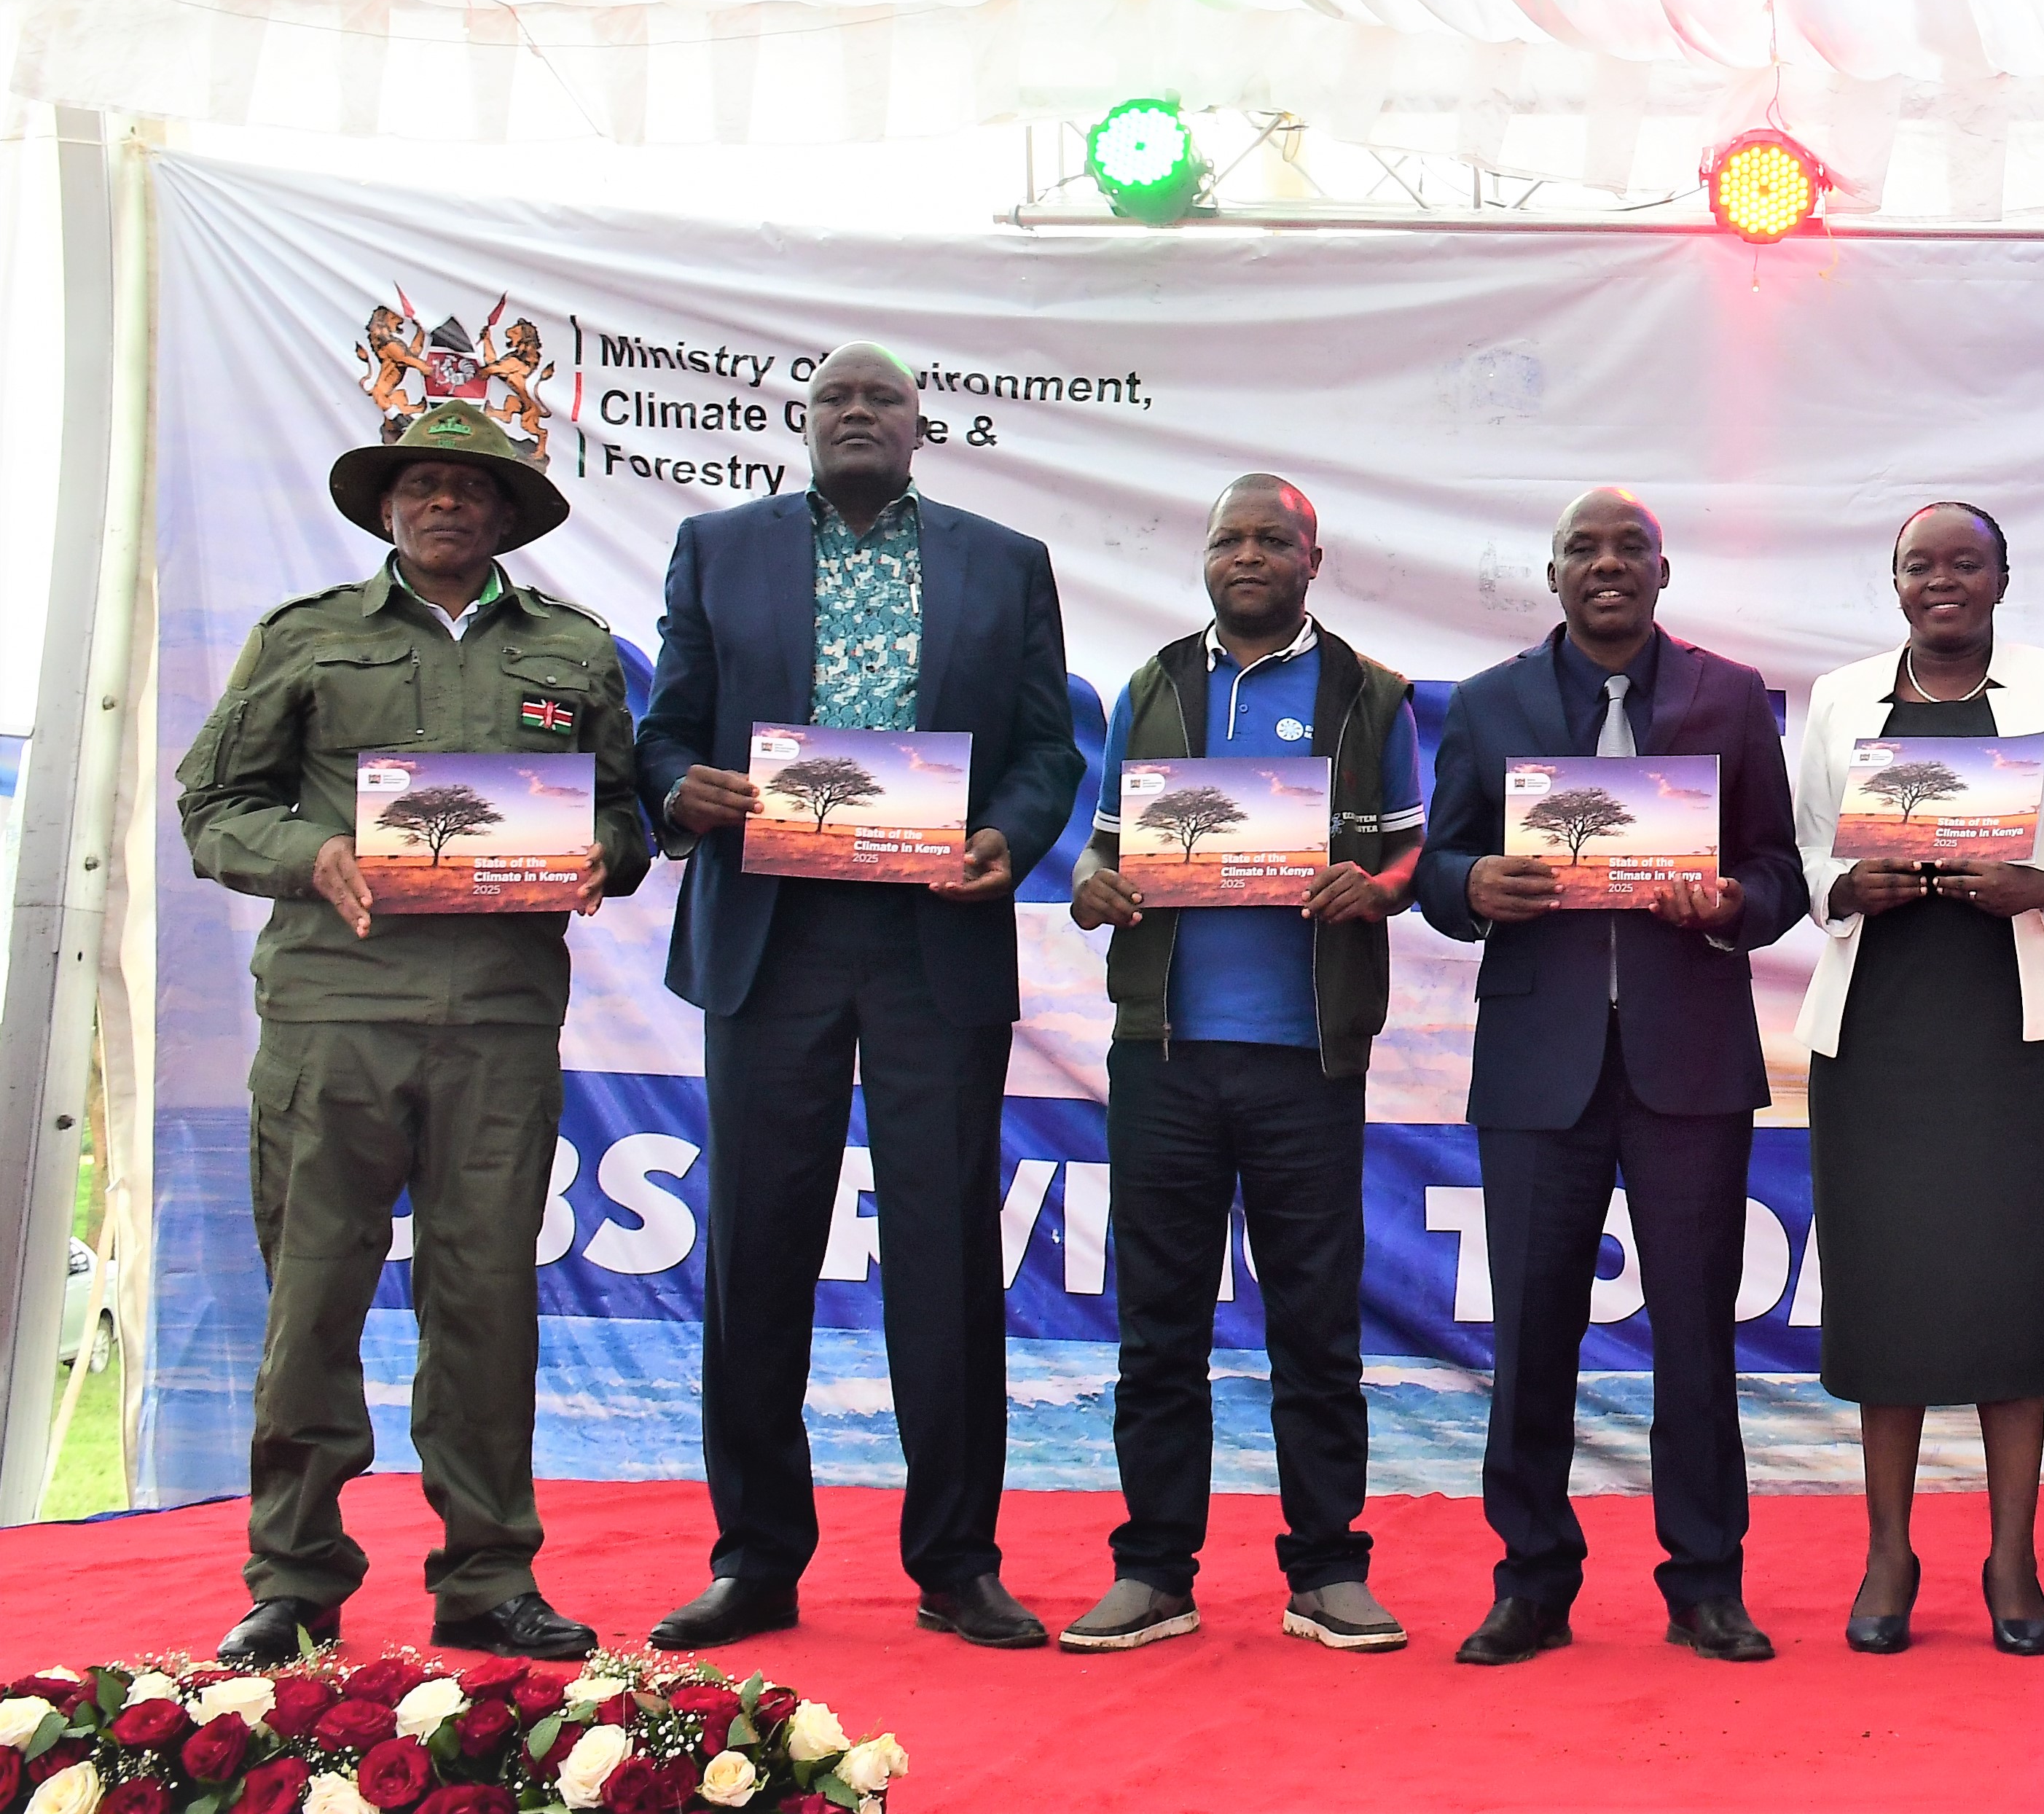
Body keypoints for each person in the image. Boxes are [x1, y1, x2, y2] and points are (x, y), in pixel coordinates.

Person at [178, 400, 647, 1668]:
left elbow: (627, 815)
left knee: (485, 1300)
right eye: (422, 485)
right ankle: (294, 1579)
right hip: (336, 1012)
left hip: (498, 1020)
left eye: (471, 488)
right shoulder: (307, 638)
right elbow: (213, 804)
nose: (445, 503)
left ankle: (489, 1575)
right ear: (387, 508)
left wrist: (600, 853)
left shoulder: (575, 650)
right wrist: (310, 848)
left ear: (505, 517)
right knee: (315, 1297)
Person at [638, 343, 1086, 1652]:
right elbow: (667, 728)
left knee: (946, 1253)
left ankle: (957, 1564)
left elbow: (1047, 744)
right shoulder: (717, 549)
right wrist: (685, 791)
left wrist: (1010, 835)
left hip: (929, 940)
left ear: (917, 425)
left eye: (878, 399)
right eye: (833, 396)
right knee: (757, 1253)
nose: (854, 413)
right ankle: (756, 1562)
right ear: (804, 419)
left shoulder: (1003, 562)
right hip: (768, 942)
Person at [1414, 488, 1804, 1668]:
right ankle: (1531, 1581)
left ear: (1661, 572)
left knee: (1696, 1335)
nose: (1605, 565)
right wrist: (1474, 886)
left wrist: (1734, 903)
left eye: (1627, 548)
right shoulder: (1489, 706)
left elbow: (1779, 869)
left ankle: (1705, 1584)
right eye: (1582, 549)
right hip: (1540, 1069)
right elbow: (1435, 865)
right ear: (1551, 574)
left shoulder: (1727, 698)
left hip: (1688, 1062)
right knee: (1531, 1338)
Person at [1060, 476, 1422, 1656]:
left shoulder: (1365, 696)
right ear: (1206, 558)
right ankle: (1155, 1571)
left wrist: (1372, 891)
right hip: (1163, 1054)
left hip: (1308, 1058)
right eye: (1231, 539)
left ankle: (1326, 1570)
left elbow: (1409, 854)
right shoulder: (1152, 686)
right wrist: (1091, 888)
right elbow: (1104, 854)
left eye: (1274, 539)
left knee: (1315, 1328)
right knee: (1158, 1326)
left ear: (1314, 560)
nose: (1250, 555)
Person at [1790, 502, 2044, 1657]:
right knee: (1888, 1289)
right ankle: (1887, 1550)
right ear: (1893, 581)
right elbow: (1804, 854)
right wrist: (1849, 888)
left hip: (2023, 1028)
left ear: (2000, 576)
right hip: (1883, 1026)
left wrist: (2039, 890)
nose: (1942, 582)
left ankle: (2011, 1556)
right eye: (1919, 564)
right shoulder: (1840, 698)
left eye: (1965, 563)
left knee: (2014, 1288)